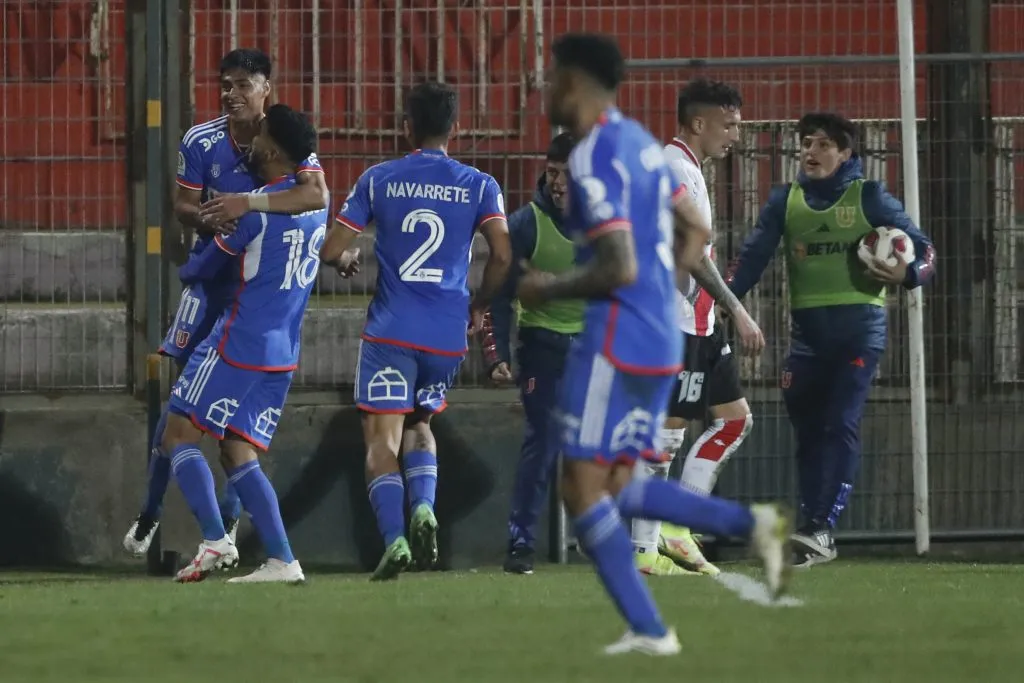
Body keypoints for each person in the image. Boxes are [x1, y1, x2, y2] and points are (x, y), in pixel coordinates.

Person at [516, 33, 791, 655]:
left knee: (584, 486)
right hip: (661, 334)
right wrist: (665, 296)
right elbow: (694, 231)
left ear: (578, 83)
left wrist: (548, 286)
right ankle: (752, 528)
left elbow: (615, 264)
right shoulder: (641, 145)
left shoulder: (592, 155)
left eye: (553, 76)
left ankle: (651, 628)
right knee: (613, 481)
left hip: (617, 335)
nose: (545, 87)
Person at [123, 48, 329, 558]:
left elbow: (316, 196)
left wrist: (247, 206)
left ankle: (228, 526)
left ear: (266, 89)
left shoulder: (284, 138)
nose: (230, 94)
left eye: (242, 84)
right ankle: (150, 513)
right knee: (180, 404)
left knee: (227, 422)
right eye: (225, 84)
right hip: (214, 282)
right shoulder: (200, 140)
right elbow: (183, 205)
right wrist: (209, 219)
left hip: (253, 290)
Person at [321, 81, 512, 581]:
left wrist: (347, 258)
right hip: (446, 333)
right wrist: (480, 305)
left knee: (380, 441)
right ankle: (424, 505)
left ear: (406, 126)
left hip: (391, 330)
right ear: (457, 128)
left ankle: (394, 538)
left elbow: (330, 246)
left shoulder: (379, 179)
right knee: (421, 425)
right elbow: (504, 255)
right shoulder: (479, 184)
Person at [727, 112, 936, 567]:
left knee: (841, 422)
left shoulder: (870, 197)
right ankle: (811, 531)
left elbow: (925, 248)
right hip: (806, 341)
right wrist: (713, 302)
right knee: (808, 435)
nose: (810, 151)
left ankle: (822, 526)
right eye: (806, 142)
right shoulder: (786, 201)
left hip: (859, 335)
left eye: (823, 144)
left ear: (846, 154)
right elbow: (749, 262)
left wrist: (909, 272)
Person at [162, 104, 328, 584]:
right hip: (282, 353)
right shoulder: (316, 206)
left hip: (238, 341)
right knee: (237, 450)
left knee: (178, 433)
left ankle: (215, 539)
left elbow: (200, 269)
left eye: (258, 136)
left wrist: (196, 244)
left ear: (272, 148)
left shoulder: (253, 212)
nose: (250, 142)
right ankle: (282, 560)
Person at [630, 79, 751, 577]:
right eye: (730, 126)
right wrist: (737, 308)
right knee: (666, 436)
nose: (735, 137)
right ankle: (642, 548)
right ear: (699, 124)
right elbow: (694, 253)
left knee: (734, 419)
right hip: (674, 322)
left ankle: (676, 530)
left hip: (699, 321)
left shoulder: (691, 169)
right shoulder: (673, 166)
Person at [480, 132, 579, 575]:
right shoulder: (525, 224)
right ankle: (521, 543)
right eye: (552, 172)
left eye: (567, 174)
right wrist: (496, 352)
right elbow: (497, 298)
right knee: (543, 442)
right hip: (544, 349)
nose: (556, 183)